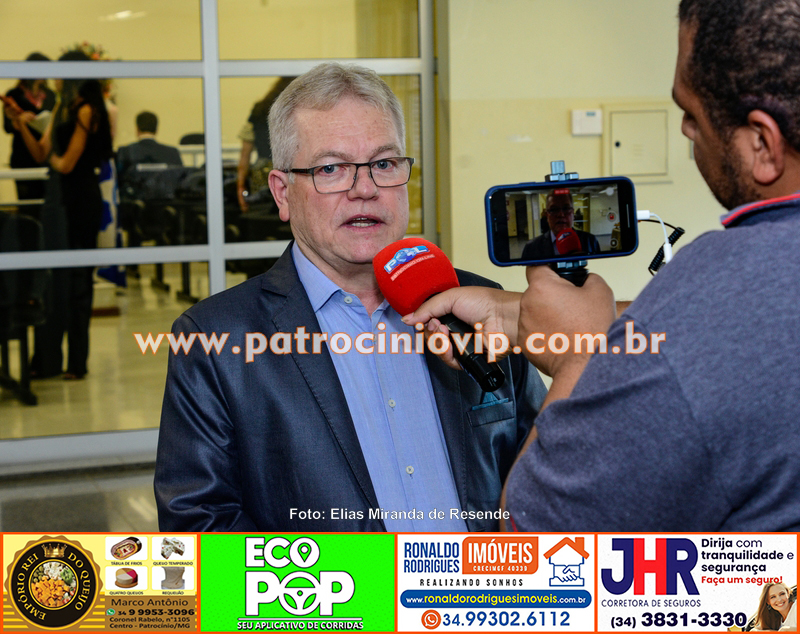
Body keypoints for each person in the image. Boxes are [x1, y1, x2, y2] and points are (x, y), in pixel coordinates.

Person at [406, 0, 800, 532]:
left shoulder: (709, 283)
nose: (686, 130)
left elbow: (534, 549)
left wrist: (578, 355)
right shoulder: (731, 296)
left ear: (763, 144)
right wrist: (519, 314)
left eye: (692, 112)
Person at [154, 63, 546, 532]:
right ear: (282, 193)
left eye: (384, 164)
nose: (365, 189)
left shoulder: (480, 303)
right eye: (331, 168)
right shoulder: (213, 339)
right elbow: (199, 524)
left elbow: (544, 465)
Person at [5, 50, 113, 379]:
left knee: (78, 283)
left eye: (60, 72)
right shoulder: (62, 109)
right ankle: (49, 359)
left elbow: (66, 164)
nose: (54, 79)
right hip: (59, 199)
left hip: (79, 200)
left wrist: (51, 156)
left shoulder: (86, 110)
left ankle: (77, 362)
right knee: (54, 280)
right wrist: (20, 124)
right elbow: (41, 152)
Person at [2, 52, 56, 206]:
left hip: (45, 152)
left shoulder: (50, 95)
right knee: (27, 203)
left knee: (46, 202)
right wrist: (20, 121)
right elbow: (7, 127)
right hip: (22, 154)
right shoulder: (14, 94)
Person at [236, 77, 294, 211]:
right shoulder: (294, 110)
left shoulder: (258, 110)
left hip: (261, 175)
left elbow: (244, 156)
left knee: (261, 215)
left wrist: (240, 186)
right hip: (286, 173)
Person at [520, 190, 599, 260]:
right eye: (554, 210)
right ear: (547, 216)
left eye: (566, 208)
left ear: (573, 213)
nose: (561, 214)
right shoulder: (531, 248)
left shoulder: (591, 241)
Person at [116, 111, 182, 185]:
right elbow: (180, 180)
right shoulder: (172, 152)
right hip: (164, 191)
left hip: (134, 191)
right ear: (156, 130)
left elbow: (118, 179)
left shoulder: (124, 152)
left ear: (137, 129)